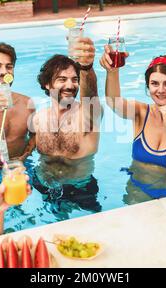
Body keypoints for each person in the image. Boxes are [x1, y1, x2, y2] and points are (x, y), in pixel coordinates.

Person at [100, 46, 166, 202]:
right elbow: (113, 102)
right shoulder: (141, 112)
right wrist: (112, 72)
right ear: (148, 86)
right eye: (154, 83)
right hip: (137, 192)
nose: (161, 90)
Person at [32, 37, 102, 212]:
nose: (70, 85)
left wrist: (86, 67)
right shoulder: (38, 119)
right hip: (44, 184)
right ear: (47, 84)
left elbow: (90, 97)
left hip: (80, 189)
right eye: (62, 79)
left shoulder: (87, 116)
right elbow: (27, 151)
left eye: (74, 79)